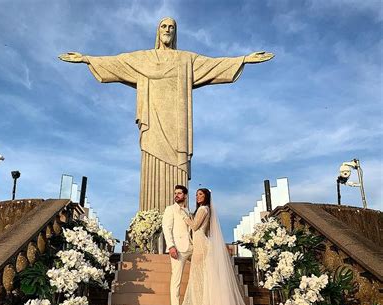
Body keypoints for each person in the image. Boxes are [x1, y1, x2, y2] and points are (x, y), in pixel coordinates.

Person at [58, 17, 274, 213]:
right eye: (164, 26)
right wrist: (86, 59)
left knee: (177, 168)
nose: (168, 29)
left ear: (175, 32)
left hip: (177, 125)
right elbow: (117, 62)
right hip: (152, 121)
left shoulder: (185, 59)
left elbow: (213, 64)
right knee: (150, 162)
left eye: (172, 27)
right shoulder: (144, 58)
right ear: (158, 31)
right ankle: (149, 221)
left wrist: (243, 59)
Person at [176, 189, 282, 305]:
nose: (198, 197)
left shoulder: (204, 210)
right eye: (197, 195)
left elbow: (196, 226)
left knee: (199, 279)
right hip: (200, 245)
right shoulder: (202, 210)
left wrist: (184, 216)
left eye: (201, 195)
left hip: (202, 248)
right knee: (200, 280)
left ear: (206, 197)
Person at [162, 185, 192, 305]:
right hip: (178, 249)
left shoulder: (188, 211)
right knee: (176, 279)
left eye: (179, 193)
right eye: (175, 193)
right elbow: (166, 229)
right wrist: (171, 246)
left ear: (185, 196)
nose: (177, 195)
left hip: (192, 247)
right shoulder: (170, 209)